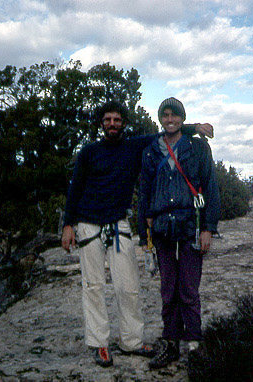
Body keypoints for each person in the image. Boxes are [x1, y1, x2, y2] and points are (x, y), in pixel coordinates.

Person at [61, 100, 213, 367]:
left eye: (117, 120)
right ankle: (100, 344)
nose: (112, 124)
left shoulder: (133, 147)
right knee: (93, 286)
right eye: (107, 119)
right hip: (88, 225)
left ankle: (130, 341)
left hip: (118, 224)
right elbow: (75, 188)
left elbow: (166, 131)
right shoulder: (89, 152)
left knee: (128, 286)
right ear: (101, 123)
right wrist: (68, 225)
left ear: (124, 124)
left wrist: (195, 127)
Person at [138, 97, 220, 369]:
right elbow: (145, 193)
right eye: (165, 115)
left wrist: (209, 228)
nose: (170, 120)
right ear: (160, 119)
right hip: (161, 229)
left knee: (188, 290)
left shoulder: (197, 147)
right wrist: (144, 234)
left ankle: (194, 344)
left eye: (175, 115)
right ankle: (171, 342)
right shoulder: (151, 150)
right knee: (168, 290)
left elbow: (210, 187)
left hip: (191, 227)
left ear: (183, 119)